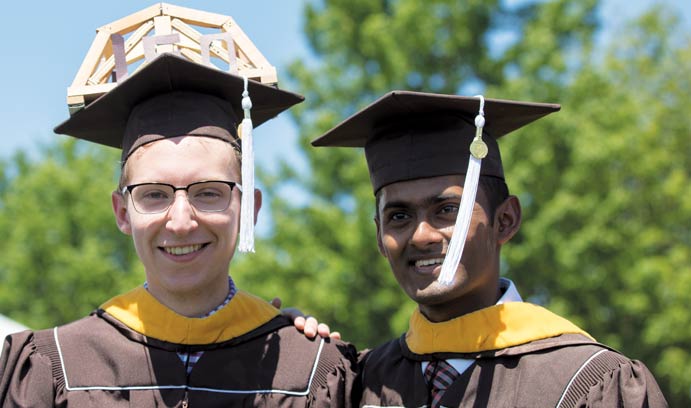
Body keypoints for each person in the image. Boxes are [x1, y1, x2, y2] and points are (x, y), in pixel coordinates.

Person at [0, 53, 356, 406]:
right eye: (154, 194)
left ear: (249, 208)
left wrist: (301, 350)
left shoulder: (313, 373)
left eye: (208, 193)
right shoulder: (52, 370)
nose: (182, 222)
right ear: (122, 212)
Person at [311, 90, 668, 407]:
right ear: (379, 237)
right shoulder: (360, 383)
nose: (421, 235)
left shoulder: (588, 381)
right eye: (399, 216)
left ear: (506, 220)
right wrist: (291, 338)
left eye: (448, 210)